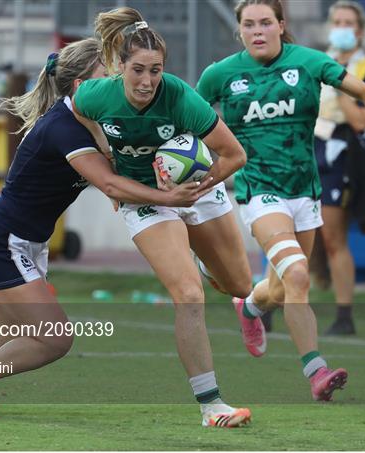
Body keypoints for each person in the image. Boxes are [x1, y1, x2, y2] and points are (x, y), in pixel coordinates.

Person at [0, 38, 211, 419]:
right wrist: (168, 198)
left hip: (22, 242)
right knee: (55, 338)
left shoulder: (93, 125)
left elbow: (116, 174)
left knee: (15, 337)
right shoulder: (63, 128)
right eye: (105, 78)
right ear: (80, 86)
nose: (114, 85)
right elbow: (109, 184)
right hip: (2, 241)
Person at [195, 0, 365, 401]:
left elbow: (364, 89)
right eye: (249, 24)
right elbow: (188, 118)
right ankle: (316, 372)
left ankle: (251, 307)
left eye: (265, 23)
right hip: (259, 190)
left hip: (305, 190)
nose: (257, 30)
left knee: (280, 289)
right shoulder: (220, 75)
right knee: (300, 275)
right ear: (239, 30)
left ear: (280, 25)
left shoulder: (308, 62)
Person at [73, 8, 254, 428]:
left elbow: (235, 155)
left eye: (155, 70)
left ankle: (209, 262)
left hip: (196, 189)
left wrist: (197, 187)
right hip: (146, 201)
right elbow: (79, 110)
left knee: (240, 285)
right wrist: (104, 152)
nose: (146, 81)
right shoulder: (98, 95)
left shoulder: (180, 97)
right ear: (120, 66)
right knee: (189, 295)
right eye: (138, 70)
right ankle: (212, 407)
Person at [314, 0, 365, 335]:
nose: (342, 27)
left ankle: (345, 314)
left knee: (333, 237)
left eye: (348, 22)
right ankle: (270, 304)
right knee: (290, 231)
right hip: (309, 147)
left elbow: (360, 120)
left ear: (359, 30)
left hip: (342, 153)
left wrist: (339, 75)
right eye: (337, 21)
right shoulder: (315, 61)